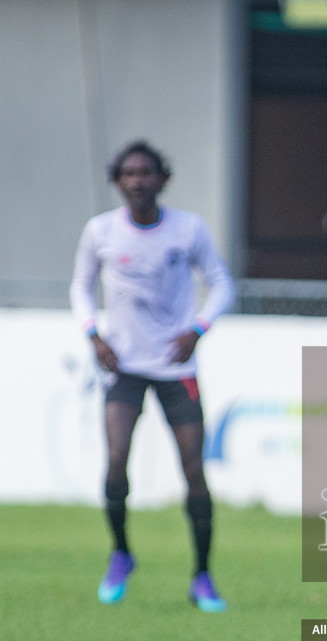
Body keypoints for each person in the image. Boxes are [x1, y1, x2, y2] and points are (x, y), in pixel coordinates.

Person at [70, 139, 236, 609]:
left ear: (163, 179)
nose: (138, 181)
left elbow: (222, 283)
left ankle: (202, 576)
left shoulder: (187, 230)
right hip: (123, 367)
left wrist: (198, 329)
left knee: (194, 471)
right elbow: (80, 287)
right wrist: (93, 335)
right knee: (116, 462)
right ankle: (121, 553)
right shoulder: (100, 232)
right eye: (129, 173)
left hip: (176, 367)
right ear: (117, 182)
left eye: (146, 172)